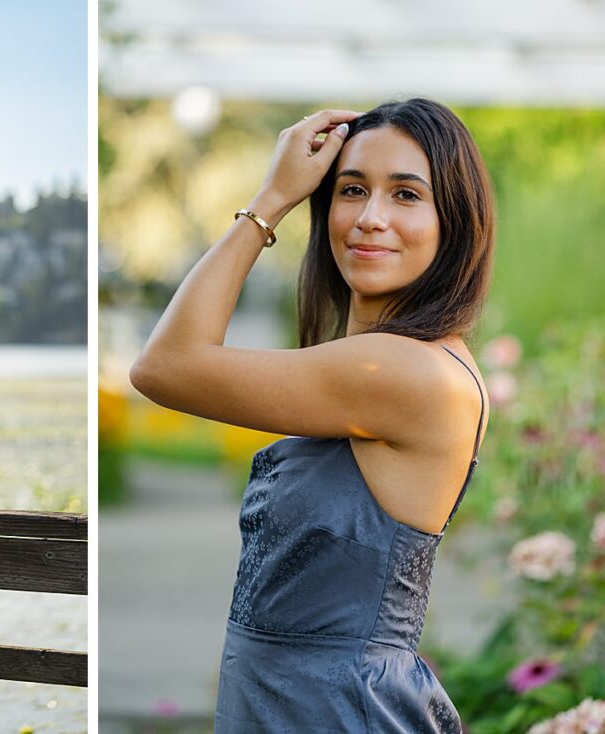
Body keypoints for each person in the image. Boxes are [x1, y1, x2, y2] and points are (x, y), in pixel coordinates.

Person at [130, 98, 494, 732]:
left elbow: (164, 367)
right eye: (352, 190)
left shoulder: (401, 372)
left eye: (406, 195)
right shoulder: (381, 363)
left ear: (453, 223)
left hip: (337, 711)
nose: (370, 218)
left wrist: (269, 201)